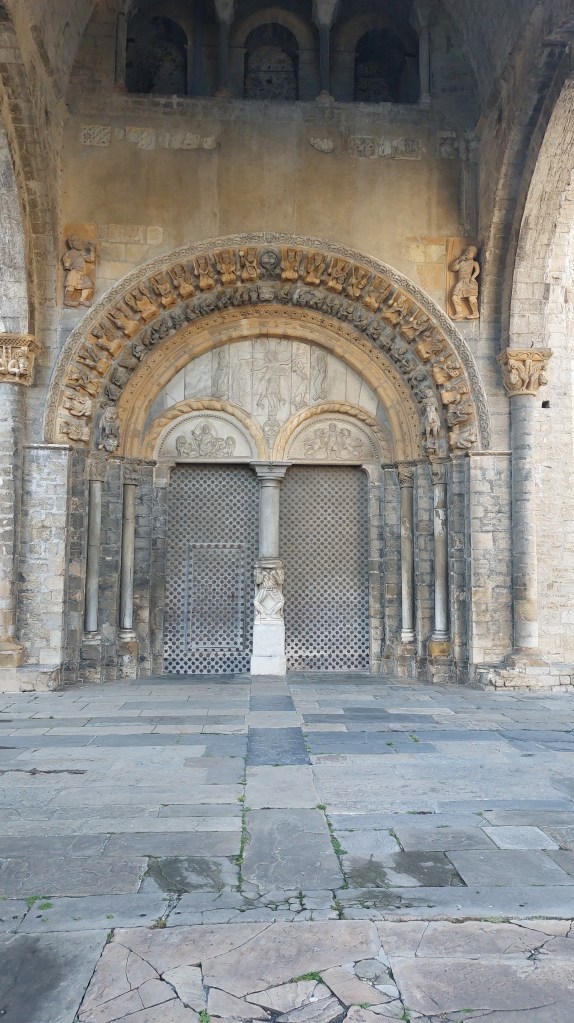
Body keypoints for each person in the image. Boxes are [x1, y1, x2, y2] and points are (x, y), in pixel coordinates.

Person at [450, 246, 480, 320]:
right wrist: (459, 260)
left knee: (471, 298)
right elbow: (454, 268)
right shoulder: (462, 262)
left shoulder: (474, 263)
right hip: (461, 282)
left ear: (474, 254)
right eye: (468, 250)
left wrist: (472, 278)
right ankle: (459, 313)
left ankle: (475, 313)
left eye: (471, 251)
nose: (468, 252)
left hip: (469, 281)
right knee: (454, 297)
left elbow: (477, 270)